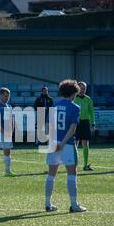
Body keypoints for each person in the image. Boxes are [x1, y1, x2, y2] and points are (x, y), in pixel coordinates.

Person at [45, 79, 87, 213]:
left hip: (53, 143)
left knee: (51, 174)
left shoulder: (54, 106)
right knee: (72, 173)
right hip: (67, 144)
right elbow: (73, 128)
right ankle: (74, 205)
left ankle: (47, 204)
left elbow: (46, 128)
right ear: (74, 92)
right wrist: (62, 143)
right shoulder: (75, 107)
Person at [74, 81, 96, 171]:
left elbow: (91, 113)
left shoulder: (88, 99)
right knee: (74, 144)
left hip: (85, 123)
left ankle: (86, 165)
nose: (82, 90)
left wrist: (93, 124)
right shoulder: (73, 98)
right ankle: (73, 164)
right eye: (80, 88)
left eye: (84, 88)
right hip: (75, 123)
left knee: (85, 144)